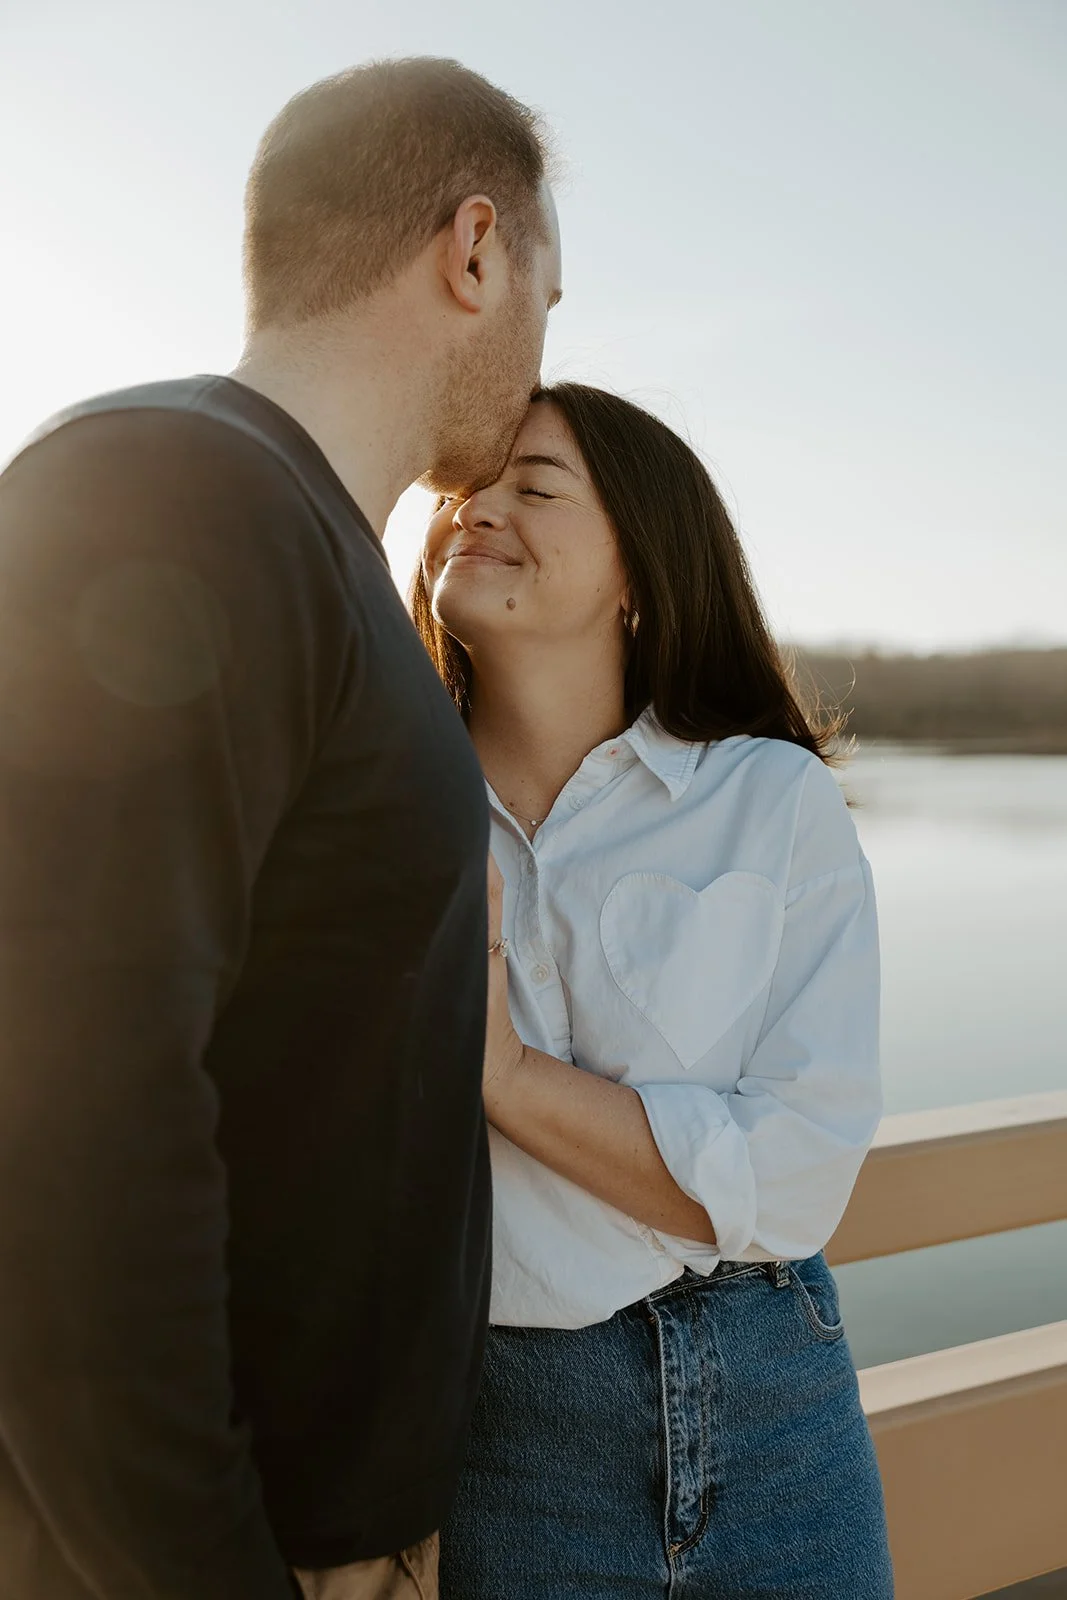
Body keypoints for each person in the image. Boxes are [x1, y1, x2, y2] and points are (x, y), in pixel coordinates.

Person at [0, 59, 561, 1600]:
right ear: (470, 250)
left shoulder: (305, 549)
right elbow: (63, 1125)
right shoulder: (171, 494)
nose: (534, 353)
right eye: (544, 299)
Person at [413, 383, 894, 1599]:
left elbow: (796, 1169)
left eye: (535, 485)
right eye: (466, 488)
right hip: (509, 1434)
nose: (478, 511)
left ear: (638, 571)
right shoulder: (376, 815)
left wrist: (507, 1080)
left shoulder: (769, 801)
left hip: (776, 1400)